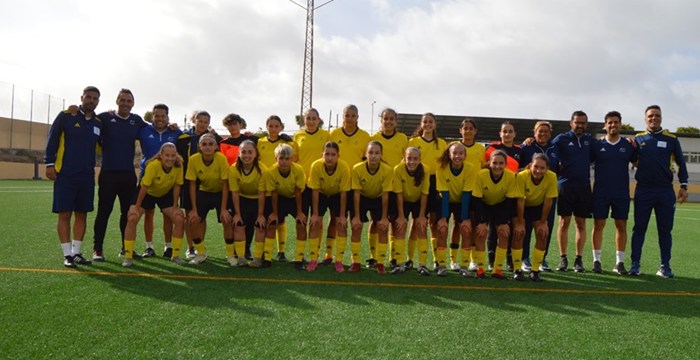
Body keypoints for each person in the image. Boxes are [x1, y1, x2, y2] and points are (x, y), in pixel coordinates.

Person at [45, 86, 102, 267]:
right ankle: (67, 254)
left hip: (86, 176)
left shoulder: (98, 123)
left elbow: (102, 146)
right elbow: (52, 139)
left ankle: (77, 252)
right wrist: (49, 163)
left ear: (98, 101)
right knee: (64, 214)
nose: (91, 101)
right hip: (66, 174)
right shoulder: (66, 116)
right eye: (89, 97)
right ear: (82, 98)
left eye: (95, 98)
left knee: (82, 214)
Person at [630, 105, 689, 278]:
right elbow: (632, 159)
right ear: (645, 119)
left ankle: (665, 266)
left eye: (657, 116)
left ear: (661, 118)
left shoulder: (671, 139)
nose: (653, 118)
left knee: (665, 230)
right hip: (643, 191)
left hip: (664, 191)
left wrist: (683, 186)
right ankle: (635, 265)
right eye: (650, 116)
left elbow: (681, 164)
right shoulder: (638, 139)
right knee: (639, 228)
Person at [92, 89, 148, 261]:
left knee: (128, 213)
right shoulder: (104, 118)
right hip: (108, 174)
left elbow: (154, 131)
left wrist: (171, 126)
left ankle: (126, 248)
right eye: (122, 100)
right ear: (116, 101)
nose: (125, 103)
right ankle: (98, 249)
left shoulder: (136, 120)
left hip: (128, 175)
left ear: (133, 104)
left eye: (128, 101)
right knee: (104, 212)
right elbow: (86, 121)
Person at [122, 143, 186, 267]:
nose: (170, 158)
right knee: (132, 218)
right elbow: (144, 187)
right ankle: (128, 256)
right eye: (167, 155)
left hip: (164, 193)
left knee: (179, 218)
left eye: (173, 155)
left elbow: (177, 186)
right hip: (147, 193)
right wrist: (136, 207)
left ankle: (176, 255)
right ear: (161, 155)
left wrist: (175, 206)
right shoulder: (153, 165)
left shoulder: (178, 165)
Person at [590, 111, 637, 274]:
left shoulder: (628, 145)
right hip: (601, 192)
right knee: (598, 224)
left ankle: (620, 262)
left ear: (620, 124)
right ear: (605, 125)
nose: (613, 125)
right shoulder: (597, 145)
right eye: (610, 122)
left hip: (621, 192)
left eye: (616, 122)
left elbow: (638, 162)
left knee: (621, 225)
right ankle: (596, 260)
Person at [137, 104, 182, 258]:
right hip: (147, 176)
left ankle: (168, 247)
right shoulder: (143, 130)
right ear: (152, 117)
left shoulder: (175, 132)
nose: (160, 119)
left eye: (163, 116)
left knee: (167, 214)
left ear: (167, 117)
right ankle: (149, 247)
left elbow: (191, 136)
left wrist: (211, 132)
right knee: (148, 213)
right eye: (157, 116)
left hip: (167, 178)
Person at [551, 110, 594, 273]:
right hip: (565, 186)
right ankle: (563, 259)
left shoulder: (590, 140)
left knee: (581, 223)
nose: (580, 125)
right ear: (571, 123)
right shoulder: (561, 139)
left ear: (586, 124)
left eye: (583, 123)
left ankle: (579, 259)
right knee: (564, 222)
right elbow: (548, 149)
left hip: (583, 187)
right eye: (577, 122)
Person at [176, 111, 223, 258]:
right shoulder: (184, 138)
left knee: (200, 218)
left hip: (208, 184)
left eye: (205, 122)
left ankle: (200, 247)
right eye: (200, 121)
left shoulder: (215, 139)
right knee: (190, 216)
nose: (202, 124)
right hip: (189, 182)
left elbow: (232, 144)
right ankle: (191, 247)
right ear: (193, 121)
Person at [328, 105, 370, 265]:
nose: (350, 118)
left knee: (356, 223)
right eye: (347, 115)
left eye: (353, 115)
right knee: (335, 219)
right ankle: (329, 255)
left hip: (357, 187)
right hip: (338, 186)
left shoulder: (365, 136)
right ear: (343, 116)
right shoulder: (333, 134)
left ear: (357, 117)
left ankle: (355, 258)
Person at [408, 113, 448, 270]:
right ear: (421, 124)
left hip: (436, 184)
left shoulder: (442, 143)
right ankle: (410, 258)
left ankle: (438, 260)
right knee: (416, 221)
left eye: (431, 121)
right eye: (425, 121)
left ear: (435, 124)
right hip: (418, 182)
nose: (428, 124)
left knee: (434, 223)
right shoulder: (413, 142)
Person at [368, 108, 407, 268]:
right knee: (376, 221)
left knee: (394, 222)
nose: (389, 121)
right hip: (378, 186)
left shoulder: (403, 138)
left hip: (396, 186)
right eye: (386, 119)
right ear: (381, 120)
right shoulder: (374, 138)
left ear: (396, 121)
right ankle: (373, 256)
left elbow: (406, 161)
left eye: (392, 119)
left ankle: (394, 257)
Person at [471, 150, 518, 280]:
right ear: (489, 163)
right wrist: (481, 222)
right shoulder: (481, 175)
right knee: (481, 232)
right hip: (483, 205)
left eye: (501, 163)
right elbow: (477, 201)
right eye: (494, 163)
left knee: (504, 233)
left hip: (501, 206)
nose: (497, 166)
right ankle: (480, 269)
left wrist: (503, 223)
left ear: (505, 164)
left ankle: (497, 270)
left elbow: (509, 202)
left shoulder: (510, 176)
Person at [185, 133, 231, 264]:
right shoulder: (194, 159)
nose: (207, 147)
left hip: (220, 192)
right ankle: (200, 253)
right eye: (204, 144)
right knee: (193, 220)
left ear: (216, 146)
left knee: (227, 219)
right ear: (199, 146)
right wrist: (193, 209)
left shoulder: (221, 158)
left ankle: (230, 255)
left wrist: (223, 209)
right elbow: (192, 184)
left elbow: (225, 184)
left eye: (211, 144)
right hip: (204, 192)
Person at [512, 153, 559, 281]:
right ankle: (517, 269)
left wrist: (543, 222)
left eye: (542, 168)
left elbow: (548, 201)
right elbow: (520, 201)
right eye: (536, 166)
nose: (538, 170)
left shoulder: (552, 177)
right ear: (530, 166)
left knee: (542, 233)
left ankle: (535, 270)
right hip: (522, 207)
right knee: (519, 232)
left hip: (538, 208)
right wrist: (520, 222)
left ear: (547, 168)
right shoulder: (522, 176)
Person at [519, 120, 558, 272]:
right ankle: (524, 258)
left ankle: (542, 259)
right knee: (525, 229)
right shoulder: (526, 147)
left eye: (546, 131)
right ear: (534, 133)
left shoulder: (556, 147)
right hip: (528, 195)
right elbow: (517, 167)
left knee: (545, 228)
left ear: (550, 134)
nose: (542, 134)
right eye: (539, 131)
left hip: (547, 194)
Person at [307, 142, 351, 272]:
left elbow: (344, 193)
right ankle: (313, 259)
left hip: (337, 195)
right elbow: (314, 191)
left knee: (340, 224)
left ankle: (338, 260)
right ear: (322, 154)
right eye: (327, 154)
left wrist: (342, 216)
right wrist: (315, 214)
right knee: (315, 223)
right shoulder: (316, 165)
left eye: (333, 155)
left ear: (338, 156)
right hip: (320, 194)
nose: (330, 157)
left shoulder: (344, 167)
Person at [219, 113, 258, 259]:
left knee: (248, 220)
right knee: (232, 219)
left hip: (248, 185)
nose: (232, 126)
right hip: (230, 186)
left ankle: (246, 248)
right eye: (229, 124)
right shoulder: (223, 143)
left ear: (240, 124)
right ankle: (234, 250)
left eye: (235, 123)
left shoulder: (250, 140)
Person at [349, 141, 393, 274]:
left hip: (379, 198)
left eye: (377, 153)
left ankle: (380, 263)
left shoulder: (387, 170)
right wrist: (356, 216)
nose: (373, 156)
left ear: (381, 155)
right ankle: (355, 262)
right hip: (362, 197)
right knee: (356, 226)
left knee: (383, 227)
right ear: (365, 154)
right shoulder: (357, 168)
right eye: (371, 152)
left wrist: (384, 218)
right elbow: (356, 193)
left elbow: (386, 195)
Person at [484, 121, 522, 271]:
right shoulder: (491, 148)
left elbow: (525, 168)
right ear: (500, 133)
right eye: (504, 131)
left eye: (510, 131)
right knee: (493, 230)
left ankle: (510, 260)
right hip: (493, 194)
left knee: (509, 229)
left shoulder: (520, 150)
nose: (507, 134)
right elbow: (484, 166)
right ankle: (491, 261)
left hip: (511, 194)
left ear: (514, 134)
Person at [293, 108, 330, 262]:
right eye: (308, 118)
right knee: (301, 220)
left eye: (314, 118)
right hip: (302, 185)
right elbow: (294, 159)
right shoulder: (298, 136)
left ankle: (315, 254)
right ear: (304, 119)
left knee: (317, 221)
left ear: (318, 120)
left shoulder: (325, 136)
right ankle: (300, 255)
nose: (311, 121)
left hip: (319, 185)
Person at [257, 115, 295, 262]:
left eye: (276, 126)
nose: (273, 129)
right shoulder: (260, 142)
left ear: (281, 127)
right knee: (266, 220)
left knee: (280, 220)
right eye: (270, 126)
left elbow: (292, 157)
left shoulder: (285, 142)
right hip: (264, 185)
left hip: (281, 185)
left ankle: (281, 251)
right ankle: (264, 252)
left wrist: (291, 141)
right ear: (266, 127)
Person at [435, 142, 475, 277]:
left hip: (462, 201)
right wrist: (443, 218)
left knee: (466, 229)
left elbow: (466, 194)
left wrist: (464, 219)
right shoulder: (441, 168)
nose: (457, 156)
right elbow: (444, 194)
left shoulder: (470, 168)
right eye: (454, 153)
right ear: (449, 154)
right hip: (445, 201)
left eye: (460, 153)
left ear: (465, 155)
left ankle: (463, 266)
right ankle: (441, 265)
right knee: (442, 228)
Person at [265, 143, 308, 270]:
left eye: (287, 159)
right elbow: (273, 193)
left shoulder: (298, 169)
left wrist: (299, 212)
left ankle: (299, 258)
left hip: (296, 198)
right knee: (272, 222)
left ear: (292, 159)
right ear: (276, 159)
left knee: (301, 223)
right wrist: (274, 212)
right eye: (281, 158)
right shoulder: (271, 171)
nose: (284, 162)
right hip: (279, 197)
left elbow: (298, 192)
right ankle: (267, 258)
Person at [229, 140, 269, 268]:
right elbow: (235, 193)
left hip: (259, 200)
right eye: (243, 152)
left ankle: (257, 258)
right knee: (238, 224)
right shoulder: (234, 169)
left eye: (250, 152)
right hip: (242, 199)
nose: (247, 155)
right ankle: (241, 257)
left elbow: (262, 193)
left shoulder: (263, 169)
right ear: (239, 154)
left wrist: (261, 215)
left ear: (256, 154)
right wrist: (237, 214)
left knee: (260, 225)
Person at [392, 147, 430, 275]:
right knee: (400, 226)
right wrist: (402, 216)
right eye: (409, 158)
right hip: (403, 200)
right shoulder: (398, 169)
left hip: (419, 200)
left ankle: (422, 265)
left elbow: (425, 194)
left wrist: (421, 216)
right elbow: (399, 194)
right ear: (404, 158)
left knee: (421, 226)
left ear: (420, 159)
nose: (412, 162)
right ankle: (400, 263)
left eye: (415, 159)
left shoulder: (425, 170)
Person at [459, 118, 486, 272]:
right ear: (460, 131)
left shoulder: (481, 149)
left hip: (477, 193)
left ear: (475, 131)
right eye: (465, 128)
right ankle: (454, 259)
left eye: (471, 128)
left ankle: (473, 260)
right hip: (459, 192)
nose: (468, 131)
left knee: (476, 226)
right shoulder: (454, 147)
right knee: (459, 226)